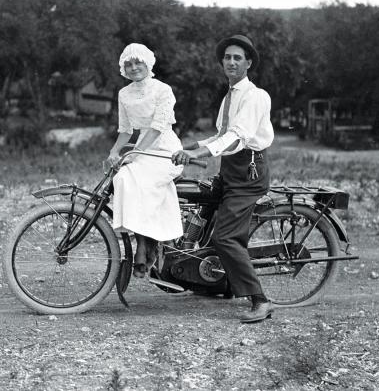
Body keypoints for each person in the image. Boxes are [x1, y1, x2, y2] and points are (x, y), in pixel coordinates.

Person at [171, 34, 275, 323]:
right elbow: (221, 133)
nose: (231, 62)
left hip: (248, 173)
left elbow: (236, 137)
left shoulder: (255, 96)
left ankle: (260, 300)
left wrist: (200, 154)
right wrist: (191, 146)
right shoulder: (230, 94)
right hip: (231, 170)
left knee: (225, 237)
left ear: (248, 63)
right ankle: (214, 279)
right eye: (227, 57)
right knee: (200, 202)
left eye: (237, 58)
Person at [107, 43, 184, 279]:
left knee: (142, 179)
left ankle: (147, 245)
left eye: (137, 62)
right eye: (128, 64)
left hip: (166, 152)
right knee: (121, 179)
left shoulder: (163, 90)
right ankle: (143, 239)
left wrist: (133, 154)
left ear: (148, 63)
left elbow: (158, 128)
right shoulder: (124, 94)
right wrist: (114, 152)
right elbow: (125, 130)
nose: (133, 68)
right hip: (142, 150)